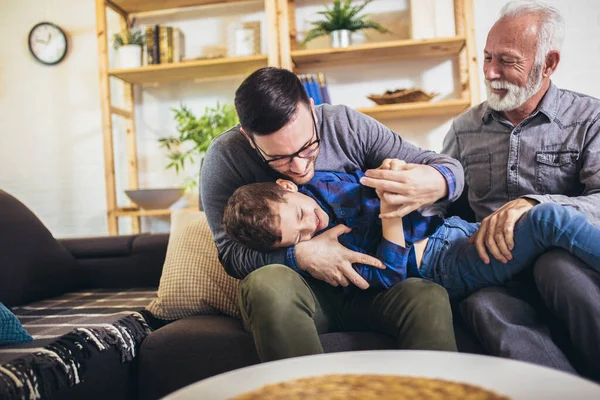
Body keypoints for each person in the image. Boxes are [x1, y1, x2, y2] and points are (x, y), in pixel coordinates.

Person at [362, 1, 600, 378]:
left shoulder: (589, 119)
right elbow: (443, 208)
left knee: (559, 272)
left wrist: (532, 203)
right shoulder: (462, 129)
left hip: (561, 256)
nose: (491, 72)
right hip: (493, 264)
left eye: (507, 61)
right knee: (483, 305)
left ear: (549, 63)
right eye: (487, 58)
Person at [200, 67, 464, 362]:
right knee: (267, 284)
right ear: (248, 138)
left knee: (426, 295)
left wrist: (436, 180)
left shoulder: (344, 124)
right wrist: (301, 255)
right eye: (279, 158)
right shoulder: (225, 158)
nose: (299, 168)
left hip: (372, 287)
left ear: (313, 111)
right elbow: (231, 255)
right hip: (300, 292)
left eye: (308, 147)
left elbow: (448, 168)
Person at [222, 163, 600, 300]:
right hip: (445, 265)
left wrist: (396, 171)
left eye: (302, 214)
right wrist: (389, 218)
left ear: (288, 187)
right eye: (299, 236)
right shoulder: (328, 259)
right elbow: (390, 277)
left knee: (557, 257)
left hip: (456, 228)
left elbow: (374, 179)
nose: (313, 225)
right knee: (549, 220)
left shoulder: (324, 183)